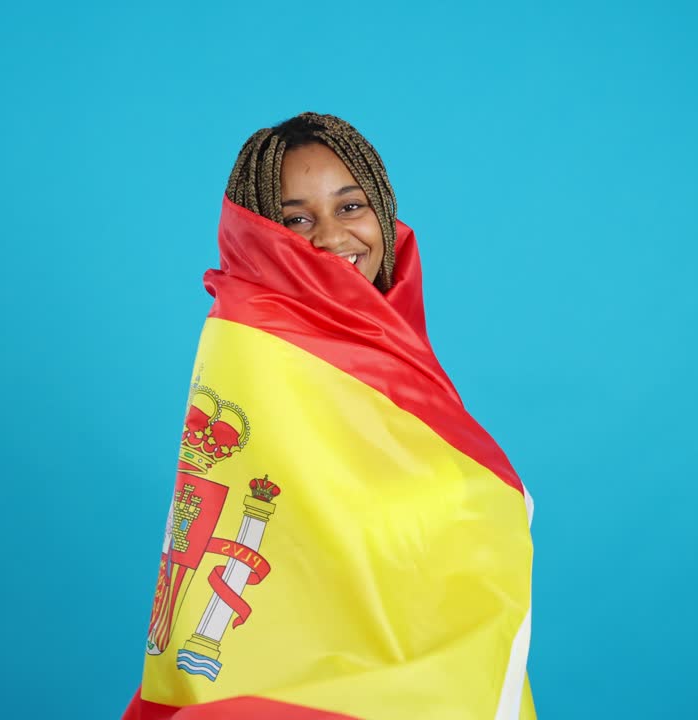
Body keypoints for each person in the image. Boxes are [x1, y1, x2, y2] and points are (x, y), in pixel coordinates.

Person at [123, 112, 536, 720]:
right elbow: (308, 525)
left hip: (400, 665)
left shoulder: (388, 340)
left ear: (383, 212)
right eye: (296, 219)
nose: (332, 238)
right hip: (301, 677)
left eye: (350, 207)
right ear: (264, 236)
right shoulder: (257, 343)